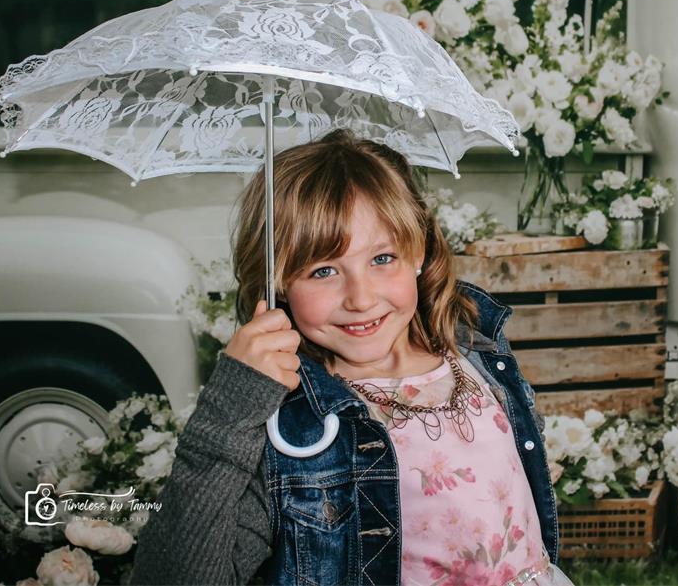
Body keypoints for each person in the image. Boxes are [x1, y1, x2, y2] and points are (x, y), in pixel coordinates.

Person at [130, 129, 572, 586]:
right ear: (278, 282)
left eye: (382, 258)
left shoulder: (476, 351)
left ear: (418, 249)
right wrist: (227, 412)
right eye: (323, 271)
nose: (360, 298)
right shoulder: (293, 431)